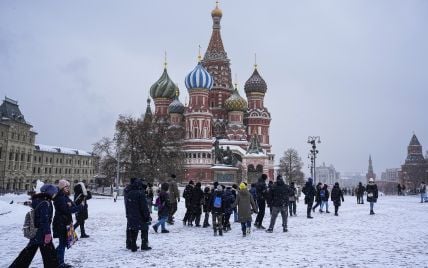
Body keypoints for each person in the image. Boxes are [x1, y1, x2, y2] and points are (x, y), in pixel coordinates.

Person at [10, 184, 59, 268]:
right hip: (42, 232)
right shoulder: (45, 203)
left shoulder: (39, 200)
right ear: (50, 193)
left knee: (29, 252)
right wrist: (47, 233)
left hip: (37, 231)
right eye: (54, 193)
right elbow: (44, 220)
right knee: (48, 254)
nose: (55, 194)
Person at [53, 180, 83, 268]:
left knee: (65, 242)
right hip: (61, 223)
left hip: (65, 222)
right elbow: (67, 210)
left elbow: (72, 206)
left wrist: (74, 205)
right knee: (63, 243)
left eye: (68, 187)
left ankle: (54, 257)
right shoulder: (60, 198)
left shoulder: (65, 196)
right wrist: (79, 207)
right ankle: (60, 263)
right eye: (66, 187)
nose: (68, 188)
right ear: (62, 188)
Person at [125, 178, 152, 251]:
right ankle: (144, 245)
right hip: (140, 216)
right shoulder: (141, 193)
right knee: (144, 229)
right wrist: (147, 216)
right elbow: (144, 207)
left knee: (133, 230)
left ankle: (133, 245)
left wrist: (128, 215)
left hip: (131, 215)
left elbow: (127, 205)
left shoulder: (129, 193)